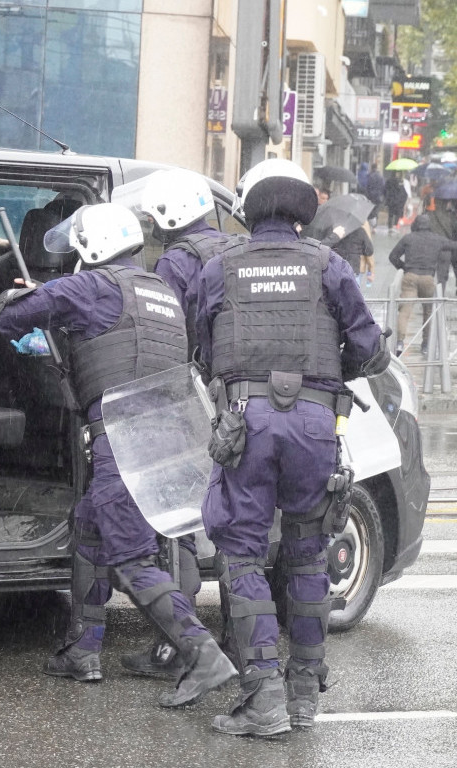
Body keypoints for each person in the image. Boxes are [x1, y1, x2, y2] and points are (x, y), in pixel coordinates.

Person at [0, 203, 237, 707]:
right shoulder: (161, 292)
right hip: (168, 441)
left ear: (95, 248)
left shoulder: (95, 287)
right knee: (88, 529)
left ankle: (203, 654)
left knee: (129, 557)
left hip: (124, 443)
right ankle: (82, 650)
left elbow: (19, 316)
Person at [195, 158, 389, 737]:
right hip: (314, 424)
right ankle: (305, 694)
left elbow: (201, 349)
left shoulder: (219, 267)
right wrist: (323, 377)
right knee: (307, 555)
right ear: (305, 208)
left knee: (243, 555)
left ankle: (264, 699)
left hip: (244, 422)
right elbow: (371, 351)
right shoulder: (329, 266)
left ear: (248, 209)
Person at [114, 167, 239, 681]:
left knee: (178, 524)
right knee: (235, 527)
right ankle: (238, 640)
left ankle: (178, 647)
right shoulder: (238, 250)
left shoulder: (175, 262)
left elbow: (158, 324)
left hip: (189, 398)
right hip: (241, 402)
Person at [388, 213, 457, 352]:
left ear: (415, 225)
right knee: (429, 311)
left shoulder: (408, 238)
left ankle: (400, 342)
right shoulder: (437, 239)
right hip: (428, 279)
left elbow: (393, 256)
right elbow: (453, 245)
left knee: (405, 311)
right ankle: (425, 344)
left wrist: (404, 267)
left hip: (410, 277)